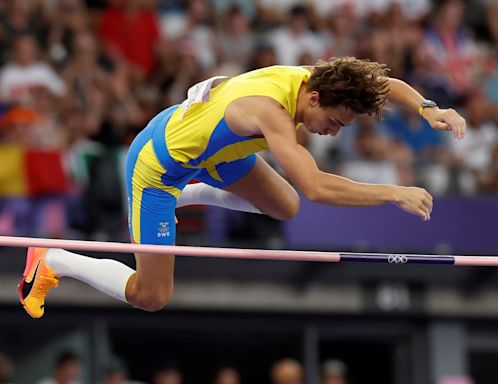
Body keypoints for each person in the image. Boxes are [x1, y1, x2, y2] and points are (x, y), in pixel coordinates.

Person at [18, 57, 466, 318]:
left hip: (214, 153)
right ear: (313, 100)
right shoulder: (268, 109)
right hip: (157, 168)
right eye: (332, 123)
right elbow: (315, 186)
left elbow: (381, 82)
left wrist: (429, 108)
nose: (331, 133)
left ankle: (189, 195)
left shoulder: (316, 80)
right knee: (151, 297)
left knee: (285, 208)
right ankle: (54, 258)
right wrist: (393, 192)